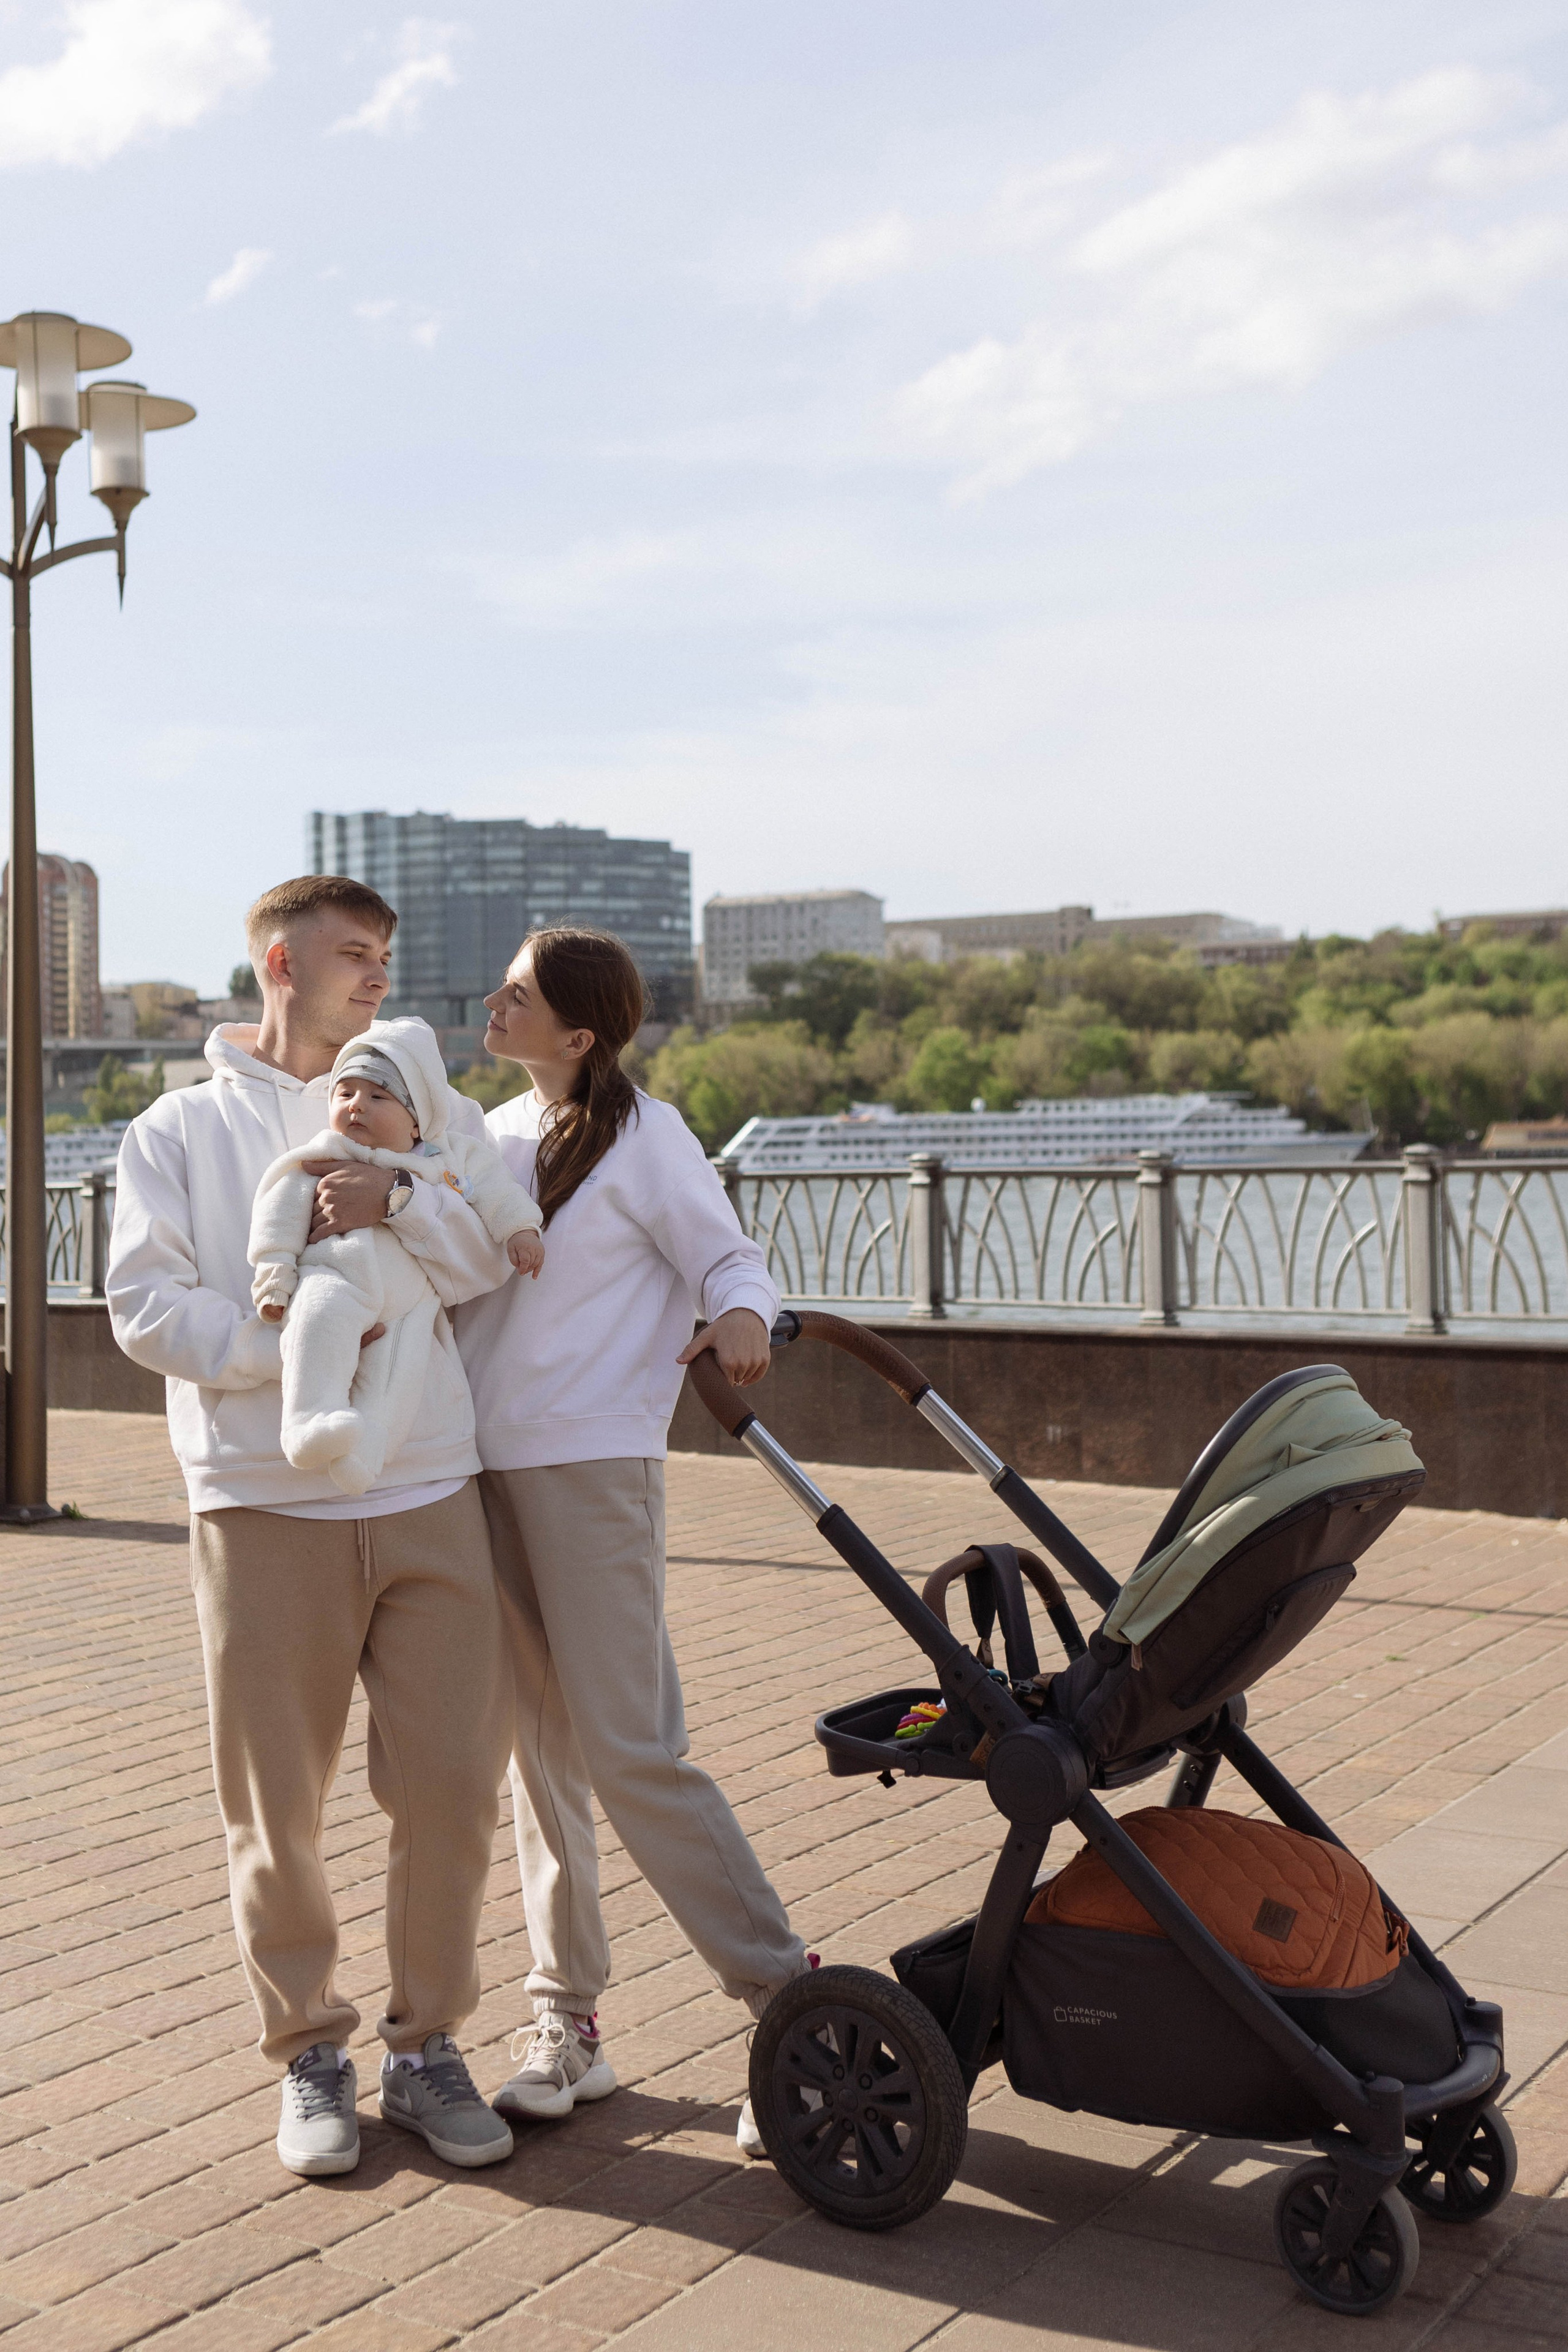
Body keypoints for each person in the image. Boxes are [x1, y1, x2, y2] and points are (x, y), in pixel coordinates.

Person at [108, 876, 519, 2180]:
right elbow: (141, 1305)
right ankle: (308, 2052)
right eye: (356, 954)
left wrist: (400, 1205)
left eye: (387, 957)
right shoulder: (177, 1130)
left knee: (454, 1787)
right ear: (279, 963)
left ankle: (426, 2043)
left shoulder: (425, 1107)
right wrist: (284, 1348)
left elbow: (481, 1262)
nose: (379, 977)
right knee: (277, 1808)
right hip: (262, 1504)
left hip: (428, 1488)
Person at [452, 925, 812, 2153]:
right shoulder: (487, 1138)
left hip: (595, 1466)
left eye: (518, 991)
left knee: (631, 1752)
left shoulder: (648, 1139)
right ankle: (566, 2024)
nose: (492, 1000)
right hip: (480, 1471)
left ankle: (787, 2004)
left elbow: (729, 1258)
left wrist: (742, 1320)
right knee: (537, 1759)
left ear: (579, 1032)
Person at [249, 1016, 544, 1494]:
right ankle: (309, 1420)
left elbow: (496, 1190)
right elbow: (280, 1206)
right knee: (316, 1326)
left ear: (416, 1118)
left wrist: (520, 1229)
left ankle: (365, 1455)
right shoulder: (328, 1152)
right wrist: (274, 1272)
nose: (356, 1107)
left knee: (398, 1379)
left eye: (378, 1096)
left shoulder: (451, 1158)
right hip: (336, 1273)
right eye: (344, 1094)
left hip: (414, 1302)